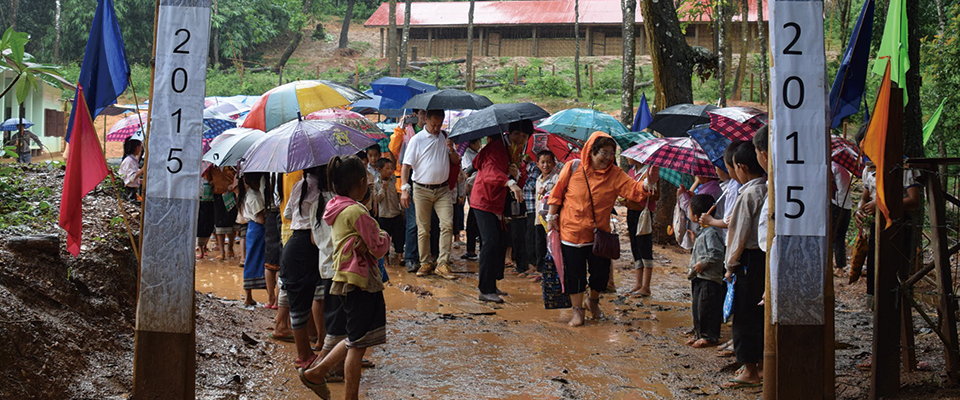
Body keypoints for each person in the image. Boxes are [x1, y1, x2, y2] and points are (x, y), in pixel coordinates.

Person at [301, 156, 391, 400]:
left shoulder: (335, 206)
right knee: (357, 345)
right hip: (360, 280)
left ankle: (317, 372)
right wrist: (384, 235)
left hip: (346, 279)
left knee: (355, 338)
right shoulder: (355, 211)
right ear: (361, 182)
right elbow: (378, 246)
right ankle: (348, 395)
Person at [546, 132, 657, 326]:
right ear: (591, 152)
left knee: (601, 275)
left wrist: (649, 183)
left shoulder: (615, 174)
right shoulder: (572, 168)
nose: (607, 158)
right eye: (603, 153)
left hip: (599, 234)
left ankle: (593, 301)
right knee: (575, 273)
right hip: (571, 232)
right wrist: (551, 217)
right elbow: (557, 194)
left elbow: (634, 189)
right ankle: (578, 311)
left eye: (611, 153)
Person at [720, 140, 766, 389]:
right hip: (764, 259)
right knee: (758, 314)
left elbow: (738, 235)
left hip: (748, 259)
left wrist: (730, 265)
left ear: (741, 167)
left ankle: (750, 369)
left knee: (745, 315)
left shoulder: (748, 194)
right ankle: (757, 362)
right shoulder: (768, 189)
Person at [471, 122, 531, 303]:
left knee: (500, 242)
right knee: (490, 242)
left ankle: (492, 284)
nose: (522, 141)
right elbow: (490, 173)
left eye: (524, 138)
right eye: (520, 137)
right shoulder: (496, 148)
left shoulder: (512, 151)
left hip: (497, 203)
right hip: (484, 200)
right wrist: (509, 181)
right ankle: (484, 289)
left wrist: (515, 175)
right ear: (514, 134)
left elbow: (519, 178)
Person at [400, 109, 460, 280]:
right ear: (426, 119)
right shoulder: (416, 140)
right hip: (421, 189)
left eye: (439, 124)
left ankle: (442, 263)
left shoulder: (445, 137)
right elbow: (406, 166)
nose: (436, 128)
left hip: (443, 190)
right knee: (423, 229)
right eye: (434, 124)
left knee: (447, 225)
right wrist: (405, 188)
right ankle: (425, 262)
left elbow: (455, 161)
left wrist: (451, 150)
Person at [280, 166, 325, 369]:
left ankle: (304, 355)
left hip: (294, 244)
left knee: (298, 304)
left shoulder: (299, 185)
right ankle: (316, 349)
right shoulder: (325, 190)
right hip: (312, 246)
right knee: (319, 298)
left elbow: (288, 213)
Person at [685, 194, 725, 348]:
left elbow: (716, 253)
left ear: (696, 215)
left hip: (709, 277)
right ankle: (698, 333)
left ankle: (710, 336)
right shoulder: (703, 232)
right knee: (698, 307)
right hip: (699, 276)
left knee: (708, 307)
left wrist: (703, 263)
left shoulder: (712, 233)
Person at [624, 159, 659, 297]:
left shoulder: (649, 172)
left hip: (643, 213)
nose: (628, 157)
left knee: (644, 245)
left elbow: (656, 194)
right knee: (635, 246)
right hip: (631, 211)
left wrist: (644, 193)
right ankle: (638, 283)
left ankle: (646, 286)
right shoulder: (631, 171)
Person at [532, 150, 563, 282]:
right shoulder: (538, 179)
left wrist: (548, 190)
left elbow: (558, 195)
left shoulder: (557, 178)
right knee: (540, 246)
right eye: (543, 162)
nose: (546, 165)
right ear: (537, 164)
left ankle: (552, 273)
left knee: (552, 246)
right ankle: (541, 272)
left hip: (551, 220)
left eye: (549, 162)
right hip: (539, 220)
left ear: (554, 163)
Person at [238, 173, 268, 307]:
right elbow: (261, 219)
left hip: (252, 229)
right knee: (258, 260)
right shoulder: (254, 197)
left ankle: (249, 296)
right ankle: (269, 296)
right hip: (257, 229)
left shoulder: (247, 195)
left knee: (252, 259)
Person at [374, 157, 404, 263]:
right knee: (384, 238)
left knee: (399, 235)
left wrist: (402, 209)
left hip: (395, 212)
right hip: (384, 214)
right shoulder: (376, 183)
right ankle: (385, 258)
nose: (390, 171)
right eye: (387, 168)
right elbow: (376, 199)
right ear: (379, 170)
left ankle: (400, 255)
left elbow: (398, 195)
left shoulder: (395, 180)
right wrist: (383, 189)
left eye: (391, 168)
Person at [831, 161, 853, 276]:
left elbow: (834, 189)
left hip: (837, 205)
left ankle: (838, 267)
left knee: (833, 236)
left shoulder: (832, 167)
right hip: (846, 205)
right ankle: (839, 265)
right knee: (840, 236)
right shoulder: (841, 168)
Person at [461, 139, 482, 260]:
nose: (479, 144)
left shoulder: (477, 154)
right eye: (478, 142)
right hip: (474, 190)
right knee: (473, 220)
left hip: (477, 190)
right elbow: (467, 173)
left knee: (473, 220)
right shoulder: (468, 155)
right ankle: (471, 249)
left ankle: (472, 249)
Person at [197, 178, 216, 259]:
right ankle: (201, 248)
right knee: (200, 226)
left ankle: (204, 246)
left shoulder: (211, 174)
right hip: (199, 201)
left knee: (208, 225)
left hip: (209, 202)